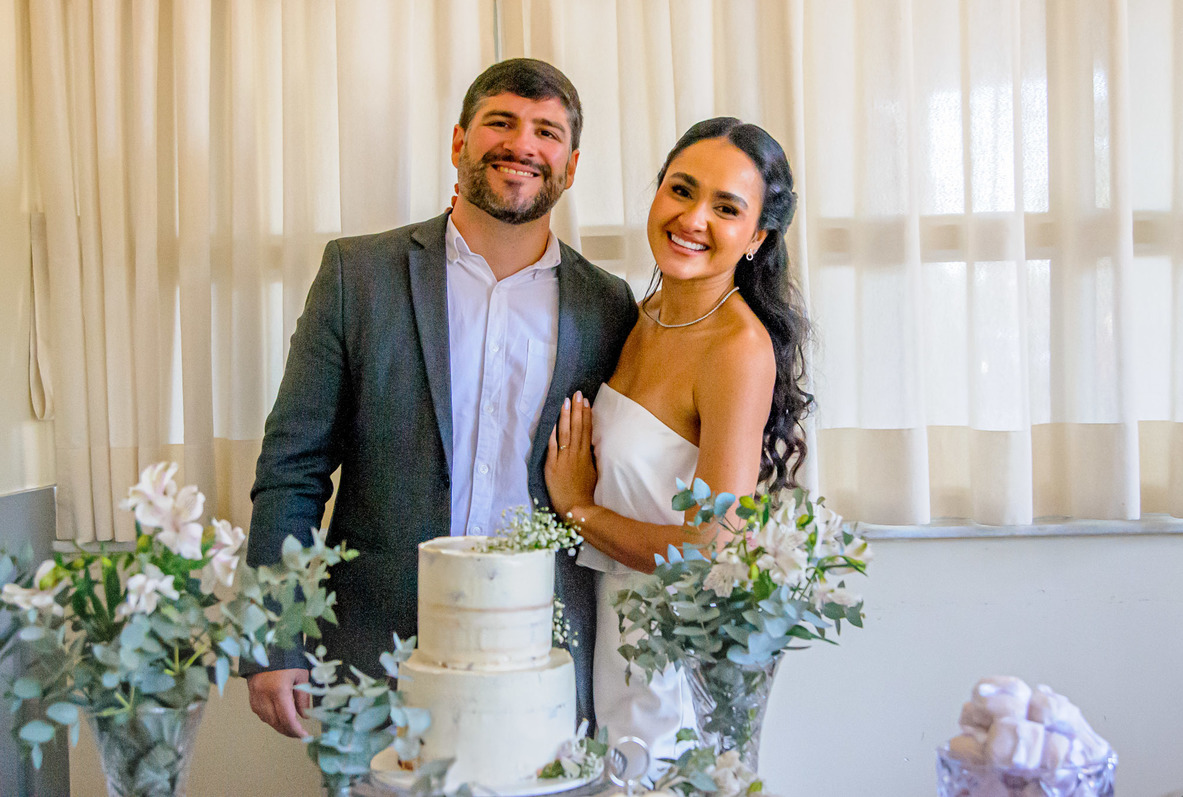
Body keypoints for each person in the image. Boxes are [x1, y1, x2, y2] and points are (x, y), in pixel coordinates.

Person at [244, 58, 638, 739]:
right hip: (376, 652)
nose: (522, 144)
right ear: (459, 143)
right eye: (501, 122)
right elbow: (293, 468)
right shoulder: (357, 275)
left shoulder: (609, 305)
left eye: (546, 131)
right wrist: (275, 636)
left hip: (543, 654)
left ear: (571, 165)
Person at [545, 117, 813, 767]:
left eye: (726, 208)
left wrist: (579, 509)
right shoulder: (646, 314)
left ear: (757, 237)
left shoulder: (737, 347)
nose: (693, 218)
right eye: (681, 190)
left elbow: (712, 546)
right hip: (609, 630)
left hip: (667, 660)